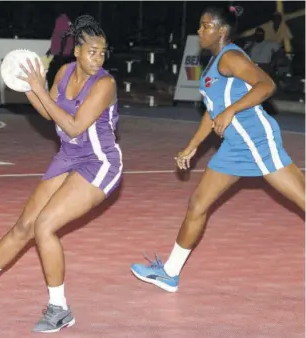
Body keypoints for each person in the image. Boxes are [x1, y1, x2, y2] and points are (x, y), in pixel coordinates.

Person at [0, 14, 122, 333]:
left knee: (45, 226)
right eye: (93, 51)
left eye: (103, 51)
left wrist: (39, 90)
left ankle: (60, 309)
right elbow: (49, 113)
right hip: (69, 155)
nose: (99, 57)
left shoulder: (106, 84)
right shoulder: (66, 72)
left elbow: (73, 125)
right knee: (23, 226)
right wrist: (28, 87)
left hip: (99, 162)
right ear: (78, 51)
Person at [131, 5, 305, 293]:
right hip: (233, 146)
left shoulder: (231, 57)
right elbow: (211, 112)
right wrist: (192, 146)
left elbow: (267, 85)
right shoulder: (213, 65)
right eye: (200, 26)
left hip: (255, 141)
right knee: (198, 204)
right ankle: (170, 274)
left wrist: (232, 110)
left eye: (205, 26)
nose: (200, 31)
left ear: (222, 31)